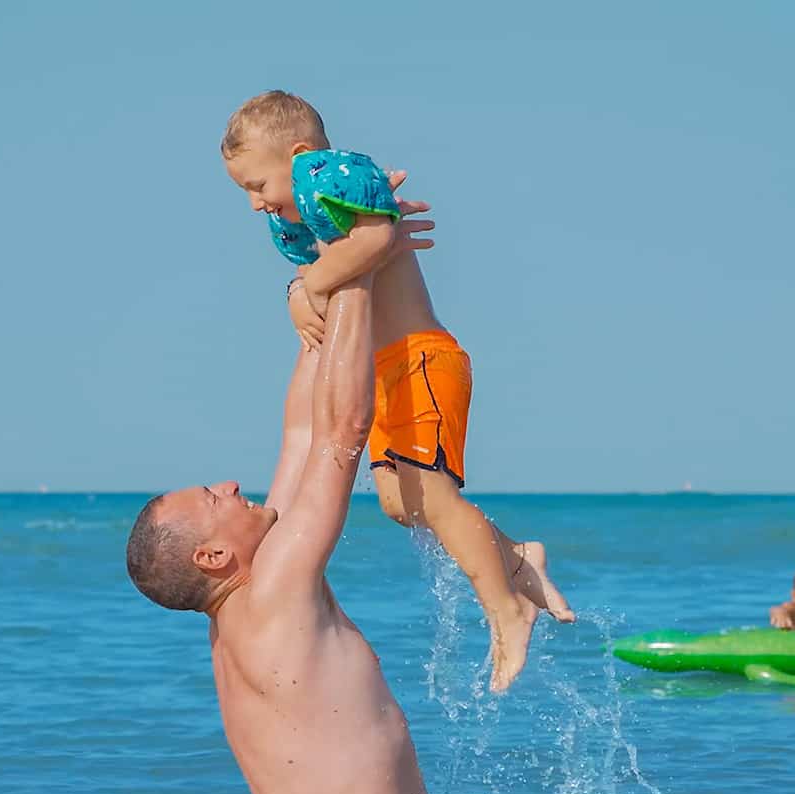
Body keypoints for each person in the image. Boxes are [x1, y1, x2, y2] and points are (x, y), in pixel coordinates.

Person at [124, 266, 436, 794]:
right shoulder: (277, 595)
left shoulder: (247, 610)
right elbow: (342, 433)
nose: (232, 483)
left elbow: (302, 430)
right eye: (214, 496)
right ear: (210, 556)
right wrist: (360, 270)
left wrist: (314, 295)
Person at [219, 89, 573, 693]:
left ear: (304, 158)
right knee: (399, 504)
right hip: (390, 373)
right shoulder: (326, 224)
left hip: (422, 363)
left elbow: (375, 245)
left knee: (430, 496)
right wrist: (297, 291)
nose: (256, 205)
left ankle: (507, 609)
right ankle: (514, 556)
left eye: (258, 186)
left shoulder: (358, 210)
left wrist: (305, 291)